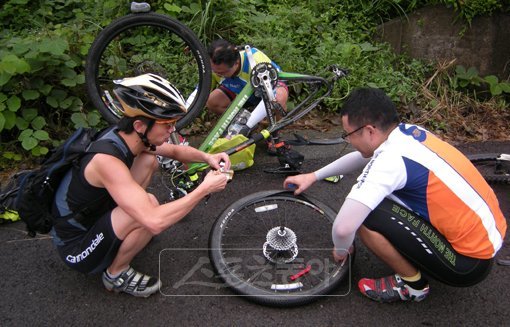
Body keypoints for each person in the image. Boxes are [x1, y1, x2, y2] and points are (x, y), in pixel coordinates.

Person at [283, 87, 507, 303]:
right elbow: (364, 157)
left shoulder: (390, 161)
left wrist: (341, 249)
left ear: (370, 130)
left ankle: (413, 286)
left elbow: (343, 227)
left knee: (366, 216)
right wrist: (314, 175)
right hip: (488, 236)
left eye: (348, 134)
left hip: (467, 264)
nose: (348, 140)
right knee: (377, 200)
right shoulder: (408, 133)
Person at [50, 73, 231, 298]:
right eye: (167, 124)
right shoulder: (107, 161)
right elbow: (155, 222)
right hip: (77, 248)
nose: (172, 130)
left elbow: (174, 151)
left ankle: (128, 228)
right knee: (149, 209)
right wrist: (204, 188)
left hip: (95, 216)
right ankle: (115, 274)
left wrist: (208, 158)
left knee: (148, 161)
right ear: (139, 125)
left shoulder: (128, 137)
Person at [206, 39, 290, 154]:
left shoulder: (255, 59)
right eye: (214, 70)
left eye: (222, 73)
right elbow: (199, 93)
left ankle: (274, 132)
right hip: (241, 93)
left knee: (278, 98)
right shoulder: (214, 66)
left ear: (236, 63)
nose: (217, 74)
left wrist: (247, 124)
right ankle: (241, 125)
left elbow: (272, 92)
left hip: (268, 90)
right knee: (212, 100)